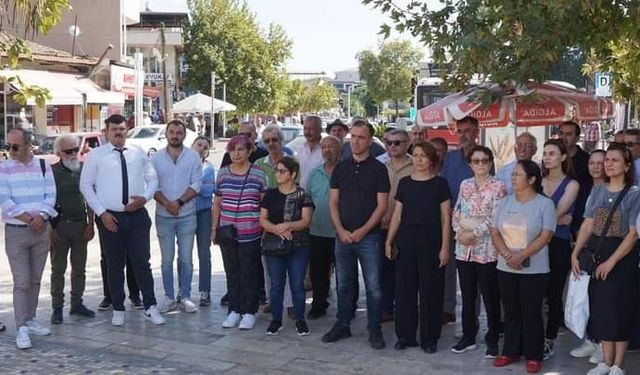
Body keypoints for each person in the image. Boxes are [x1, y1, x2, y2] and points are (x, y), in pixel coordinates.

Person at [80, 114, 165, 327]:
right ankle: (118, 307)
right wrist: (102, 213)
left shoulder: (137, 152)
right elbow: (86, 186)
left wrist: (144, 198)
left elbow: (153, 178)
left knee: (141, 263)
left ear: (127, 130)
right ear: (106, 132)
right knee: (114, 265)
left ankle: (150, 306)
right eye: (114, 129)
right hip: (111, 217)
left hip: (137, 216)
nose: (119, 132)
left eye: (122, 128)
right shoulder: (96, 155)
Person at [571, 144, 640, 375]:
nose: (608, 164)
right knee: (600, 308)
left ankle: (617, 364)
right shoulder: (598, 191)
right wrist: (576, 251)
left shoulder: (634, 194)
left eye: (615, 160)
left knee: (619, 309)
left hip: (621, 256)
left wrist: (612, 261)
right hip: (597, 251)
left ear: (627, 166)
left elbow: (632, 234)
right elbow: (588, 223)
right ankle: (605, 360)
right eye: (607, 159)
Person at [321, 121, 390, 350]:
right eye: (354, 137)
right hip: (343, 237)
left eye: (361, 137)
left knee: (374, 286)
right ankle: (342, 324)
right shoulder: (341, 168)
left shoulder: (379, 169)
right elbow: (333, 202)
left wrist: (362, 231)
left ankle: (374, 329)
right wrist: (340, 230)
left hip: (369, 237)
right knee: (344, 284)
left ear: (370, 140)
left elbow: (382, 206)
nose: (357, 141)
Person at [385, 141, 451, 353]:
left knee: (430, 289)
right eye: (416, 155)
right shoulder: (405, 183)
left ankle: (429, 338)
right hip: (407, 239)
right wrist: (389, 239)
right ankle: (405, 336)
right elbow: (397, 215)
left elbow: (445, 218)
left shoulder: (440, 184)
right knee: (405, 289)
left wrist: (445, 247)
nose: (419, 159)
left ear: (432, 159)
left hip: (431, 239)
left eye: (423, 156)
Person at [491, 160, 556, 374]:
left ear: (532, 179)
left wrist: (522, 256)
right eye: (513, 175)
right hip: (506, 266)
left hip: (535, 269)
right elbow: (494, 232)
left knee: (531, 312)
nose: (513, 178)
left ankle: (533, 354)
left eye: (518, 175)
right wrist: (509, 255)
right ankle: (510, 351)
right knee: (510, 311)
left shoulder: (544, 204)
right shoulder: (505, 202)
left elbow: (546, 235)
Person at [0, 127, 58, 349]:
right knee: (22, 281)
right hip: (17, 231)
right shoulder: (4, 168)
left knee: (35, 279)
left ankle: (31, 318)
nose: (10, 150)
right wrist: (29, 219)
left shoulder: (43, 166)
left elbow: (51, 195)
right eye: (8, 146)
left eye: (15, 146)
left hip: (40, 230)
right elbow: (5, 199)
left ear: (27, 145)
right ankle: (21, 327)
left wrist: (42, 217)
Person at [451, 145, 506, 358]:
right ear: (470, 164)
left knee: (490, 296)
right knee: (467, 295)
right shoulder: (465, 185)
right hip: (463, 248)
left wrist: (474, 232)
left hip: (487, 248)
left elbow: (496, 217)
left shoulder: (498, 187)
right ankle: (468, 336)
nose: (481, 164)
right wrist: (459, 231)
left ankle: (492, 338)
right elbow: (457, 210)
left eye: (484, 160)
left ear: (491, 163)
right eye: (476, 161)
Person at [212, 135, 268, 330]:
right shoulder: (223, 174)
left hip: (251, 232)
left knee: (249, 272)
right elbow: (217, 203)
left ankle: (249, 311)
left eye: (241, 149)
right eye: (232, 149)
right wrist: (214, 229)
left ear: (249, 151)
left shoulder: (259, 174)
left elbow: (264, 204)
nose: (236, 153)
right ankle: (234, 310)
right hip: (228, 232)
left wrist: (264, 227)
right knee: (232, 272)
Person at [152, 120, 202, 314]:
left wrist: (179, 203)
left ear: (184, 135)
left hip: (187, 215)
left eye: (179, 132)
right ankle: (168, 297)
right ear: (166, 134)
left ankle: (186, 296)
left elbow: (196, 184)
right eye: (171, 132)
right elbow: (152, 186)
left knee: (186, 259)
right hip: (163, 216)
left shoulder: (193, 157)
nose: (175, 135)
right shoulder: (156, 158)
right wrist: (167, 204)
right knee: (166, 259)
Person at [260, 156, 314, 336]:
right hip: (274, 245)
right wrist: (277, 229)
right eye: (276, 170)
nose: (278, 174)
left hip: (298, 245)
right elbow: (262, 219)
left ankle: (300, 319)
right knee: (276, 285)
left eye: (282, 171)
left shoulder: (303, 194)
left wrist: (287, 226)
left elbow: (306, 221)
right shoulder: (270, 194)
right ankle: (276, 320)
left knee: (297, 285)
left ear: (293, 174)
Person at [540, 139, 580, 360]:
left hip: (559, 243)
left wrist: (555, 217)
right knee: (536, 292)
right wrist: (556, 217)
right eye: (545, 153)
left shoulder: (572, 184)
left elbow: (554, 214)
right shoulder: (538, 180)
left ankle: (550, 339)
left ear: (563, 157)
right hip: (536, 242)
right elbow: (552, 215)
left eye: (552, 153)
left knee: (554, 293)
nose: (547, 157)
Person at [49, 135, 96, 325]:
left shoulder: (84, 170)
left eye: (76, 150)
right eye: (68, 151)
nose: (73, 154)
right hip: (59, 226)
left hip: (80, 225)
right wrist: (50, 229)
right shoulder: (51, 172)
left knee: (79, 268)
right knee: (58, 269)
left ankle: (77, 303)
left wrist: (91, 223)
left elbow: (90, 198)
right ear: (59, 152)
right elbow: (47, 201)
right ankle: (57, 308)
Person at [441, 116, 480, 324]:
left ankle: (471, 315)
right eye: (460, 130)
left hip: (473, 225)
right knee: (447, 267)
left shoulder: (482, 157)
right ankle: (447, 309)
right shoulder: (450, 157)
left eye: (468, 130)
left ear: (476, 133)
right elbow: (444, 188)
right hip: (450, 220)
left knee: (471, 274)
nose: (464, 134)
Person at [569, 148, 606, 364]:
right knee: (586, 296)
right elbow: (583, 221)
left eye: (600, 162)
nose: (595, 166)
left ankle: (603, 344)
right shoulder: (588, 189)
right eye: (592, 162)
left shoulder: (615, 190)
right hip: (587, 248)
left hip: (605, 249)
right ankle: (591, 339)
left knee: (602, 299)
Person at [380, 129, 414, 322]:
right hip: (382, 225)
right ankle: (386, 308)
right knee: (384, 270)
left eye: (397, 143)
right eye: (389, 143)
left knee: (404, 272)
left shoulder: (415, 165)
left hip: (405, 227)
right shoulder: (381, 166)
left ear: (407, 143)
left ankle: (404, 310)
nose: (392, 146)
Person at [307, 136, 341, 319]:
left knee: (344, 274)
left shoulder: (347, 172)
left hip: (341, 232)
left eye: (331, 147)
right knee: (318, 272)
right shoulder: (314, 174)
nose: (327, 150)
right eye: (324, 147)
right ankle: (319, 304)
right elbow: (308, 201)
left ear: (340, 149)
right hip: (317, 231)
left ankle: (346, 307)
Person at [191, 136, 215, 306]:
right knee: (184, 254)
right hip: (187, 212)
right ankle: (182, 290)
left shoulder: (209, 168)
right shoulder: (183, 165)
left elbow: (208, 191)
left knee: (204, 253)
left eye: (205, 146)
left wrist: (193, 186)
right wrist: (197, 187)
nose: (201, 148)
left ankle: (205, 291)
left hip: (204, 213)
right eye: (199, 144)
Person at [558, 121, 591, 236]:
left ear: (577, 138)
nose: (563, 137)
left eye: (568, 134)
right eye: (561, 133)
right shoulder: (553, 158)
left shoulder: (586, 160)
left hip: (578, 215)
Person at [292, 115, 323, 189]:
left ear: (320, 130)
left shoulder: (326, 149)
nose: (307, 132)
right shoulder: (300, 148)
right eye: (305, 128)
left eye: (311, 129)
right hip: (302, 194)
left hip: (319, 195)